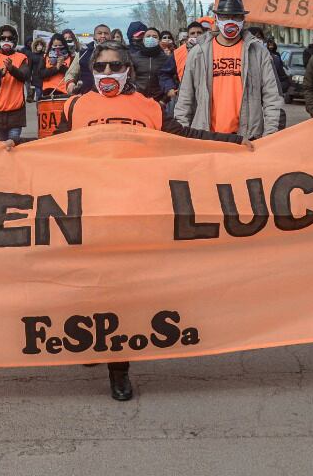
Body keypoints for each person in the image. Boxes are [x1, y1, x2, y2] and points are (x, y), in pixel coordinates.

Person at [43, 41, 248, 401]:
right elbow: (51, 149)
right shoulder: (75, 106)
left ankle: (118, 369)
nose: (107, 73)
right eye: (100, 67)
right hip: (88, 212)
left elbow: (185, 138)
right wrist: (12, 152)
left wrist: (235, 142)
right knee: (91, 287)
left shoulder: (149, 107)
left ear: (129, 69)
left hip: (134, 213)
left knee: (119, 291)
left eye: (114, 66)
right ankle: (94, 340)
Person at [174, 0, 284, 139]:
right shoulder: (198, 53)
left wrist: (270, 136)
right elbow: (185, 99)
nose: (230, 21)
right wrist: (181, 136)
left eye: (236, 17)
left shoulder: (258, 52)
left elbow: (272, 98)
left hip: (247, 138)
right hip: (206, 137)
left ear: (243, 20)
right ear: (216, 18)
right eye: (225, 17)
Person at [0, 24, 30, 144]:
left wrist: (11, 68)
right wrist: (0, 74)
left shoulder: (22, 57)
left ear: (14, 40)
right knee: (2, 143)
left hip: (16, 108)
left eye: (9, 38)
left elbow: (24, 76)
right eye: (3, 38)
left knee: (13, 140)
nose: (6, 40)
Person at [130, 26, 178, 103]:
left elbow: (171, 81)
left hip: (158, 101)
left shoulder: (166, 59)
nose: (151, 38)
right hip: (137, 100)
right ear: (143, 40)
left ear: (159, 40)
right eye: (148, 36)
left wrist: (164, 101)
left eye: (154, 37)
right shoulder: (134, 58)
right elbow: (129, 79)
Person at [35, 33, 77, 98]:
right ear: (51, 45)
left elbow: (73, 74)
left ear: (64, 45)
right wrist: (56, 68)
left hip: (64, 92)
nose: (57, 48)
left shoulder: (70, 57)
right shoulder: (45, 57)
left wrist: (61, 67)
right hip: (48, 91)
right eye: (55, 45)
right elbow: (40, 74)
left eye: (60, 45)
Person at [76, 24, 113, 95]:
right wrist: (70, 83)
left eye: (106, 33)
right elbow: (71, 73)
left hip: (110, 93)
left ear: (110, 36)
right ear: (94, 36)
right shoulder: (83, 52)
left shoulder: (118, 52)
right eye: (99, 33)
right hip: (86, 93)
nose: (103, 36)